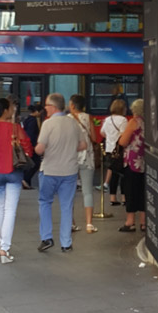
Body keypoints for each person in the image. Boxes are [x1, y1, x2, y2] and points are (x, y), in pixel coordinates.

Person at [0, 98, 33, 263]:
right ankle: (4, 248)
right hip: (13, 172)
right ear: (5, 111)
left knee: (1, 208)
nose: (12, 110)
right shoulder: (15, 128)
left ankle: (0, 241)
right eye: (11, 108)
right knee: (10, 210)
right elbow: (28, 150)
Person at [35, 93, 86, 253]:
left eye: (46, 106)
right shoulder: (73, 123)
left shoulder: (48, 124)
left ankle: (47, 237)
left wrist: (36, 150)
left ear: (53, 107)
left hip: (50, 170)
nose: (45, 108)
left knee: (45, 202)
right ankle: (66, 243)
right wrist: (69, 149)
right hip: (70, 171)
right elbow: (83, 145)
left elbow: (40, 148)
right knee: (66, 206)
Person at [68, 94, 98, 233]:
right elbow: (93, 137)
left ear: (73, 105)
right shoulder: (88, 117)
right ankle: (89, 224)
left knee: (69, 192)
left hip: (71, 158)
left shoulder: (67, 120)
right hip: (87, 156)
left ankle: (71, 223)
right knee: (87, 192)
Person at [118, 98, 145, 233]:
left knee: (130, 191)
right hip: (143, 162)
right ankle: (144, 223)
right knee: (142, 192)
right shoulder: (147, 123)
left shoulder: (133, 122)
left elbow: (123, 142)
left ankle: (130, 222)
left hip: (132, 162)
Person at [100, 98, 127, 207]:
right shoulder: (123, 120)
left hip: (109, 150)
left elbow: (102, 133)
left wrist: (110, 138)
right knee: (124, 174)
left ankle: (112, 198)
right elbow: (124, 135)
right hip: (120, 150)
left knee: (114, 173)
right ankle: (124, 198)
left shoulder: (107, 119)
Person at [22, 105, 41, 189]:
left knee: (31, 163)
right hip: (32, 145)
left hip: (28, 144)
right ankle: (25, 179)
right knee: (36, 163)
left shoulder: (27, 119)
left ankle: (27, 182)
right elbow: (31, 135)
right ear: (36, 111)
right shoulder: (33, 121)